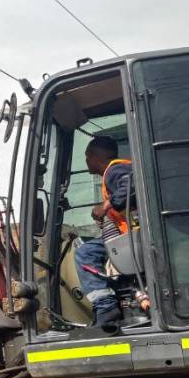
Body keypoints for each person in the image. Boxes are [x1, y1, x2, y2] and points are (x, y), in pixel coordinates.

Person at [74, 136, 135, 328]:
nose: (86, 161)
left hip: (133, 236)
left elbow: (130, 186)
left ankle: (106, 306)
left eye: (86, 157)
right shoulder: (114, 173)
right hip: (130, 234)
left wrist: (105, 206)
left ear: (95, 157)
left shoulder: (115, 170)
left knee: (86, 253)